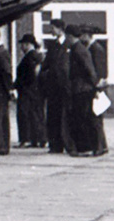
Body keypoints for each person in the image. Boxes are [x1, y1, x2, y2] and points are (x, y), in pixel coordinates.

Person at [68, 25, 103, 156]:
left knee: (83, 119)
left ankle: (86, 148)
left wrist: (96, 87)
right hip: (82, 88)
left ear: (70, 36)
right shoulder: (78, 48)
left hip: (82, 89)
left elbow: (90, 69)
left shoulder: (78, 50)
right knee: (83, 118)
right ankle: (88, 148)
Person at [40, 20, 71, 154]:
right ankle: (55, 145)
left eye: (52, 28)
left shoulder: (70, 45)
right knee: (53, 116)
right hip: (53, 87)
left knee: (66, 116)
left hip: (65, 86)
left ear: (60, 29)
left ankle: (68, 143)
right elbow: (46, 64)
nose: (50, 31)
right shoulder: (52, 45)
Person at [14, 34, 46, 147]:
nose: (21, 47)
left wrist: (16, 85)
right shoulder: (37, 56)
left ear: (27, 44)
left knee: (25, 114)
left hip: (27, 90)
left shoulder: (30, 57)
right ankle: (39, 138)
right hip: (36, 91)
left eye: (22, 44)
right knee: (36, 114)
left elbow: (29, 75)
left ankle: (26, 139)